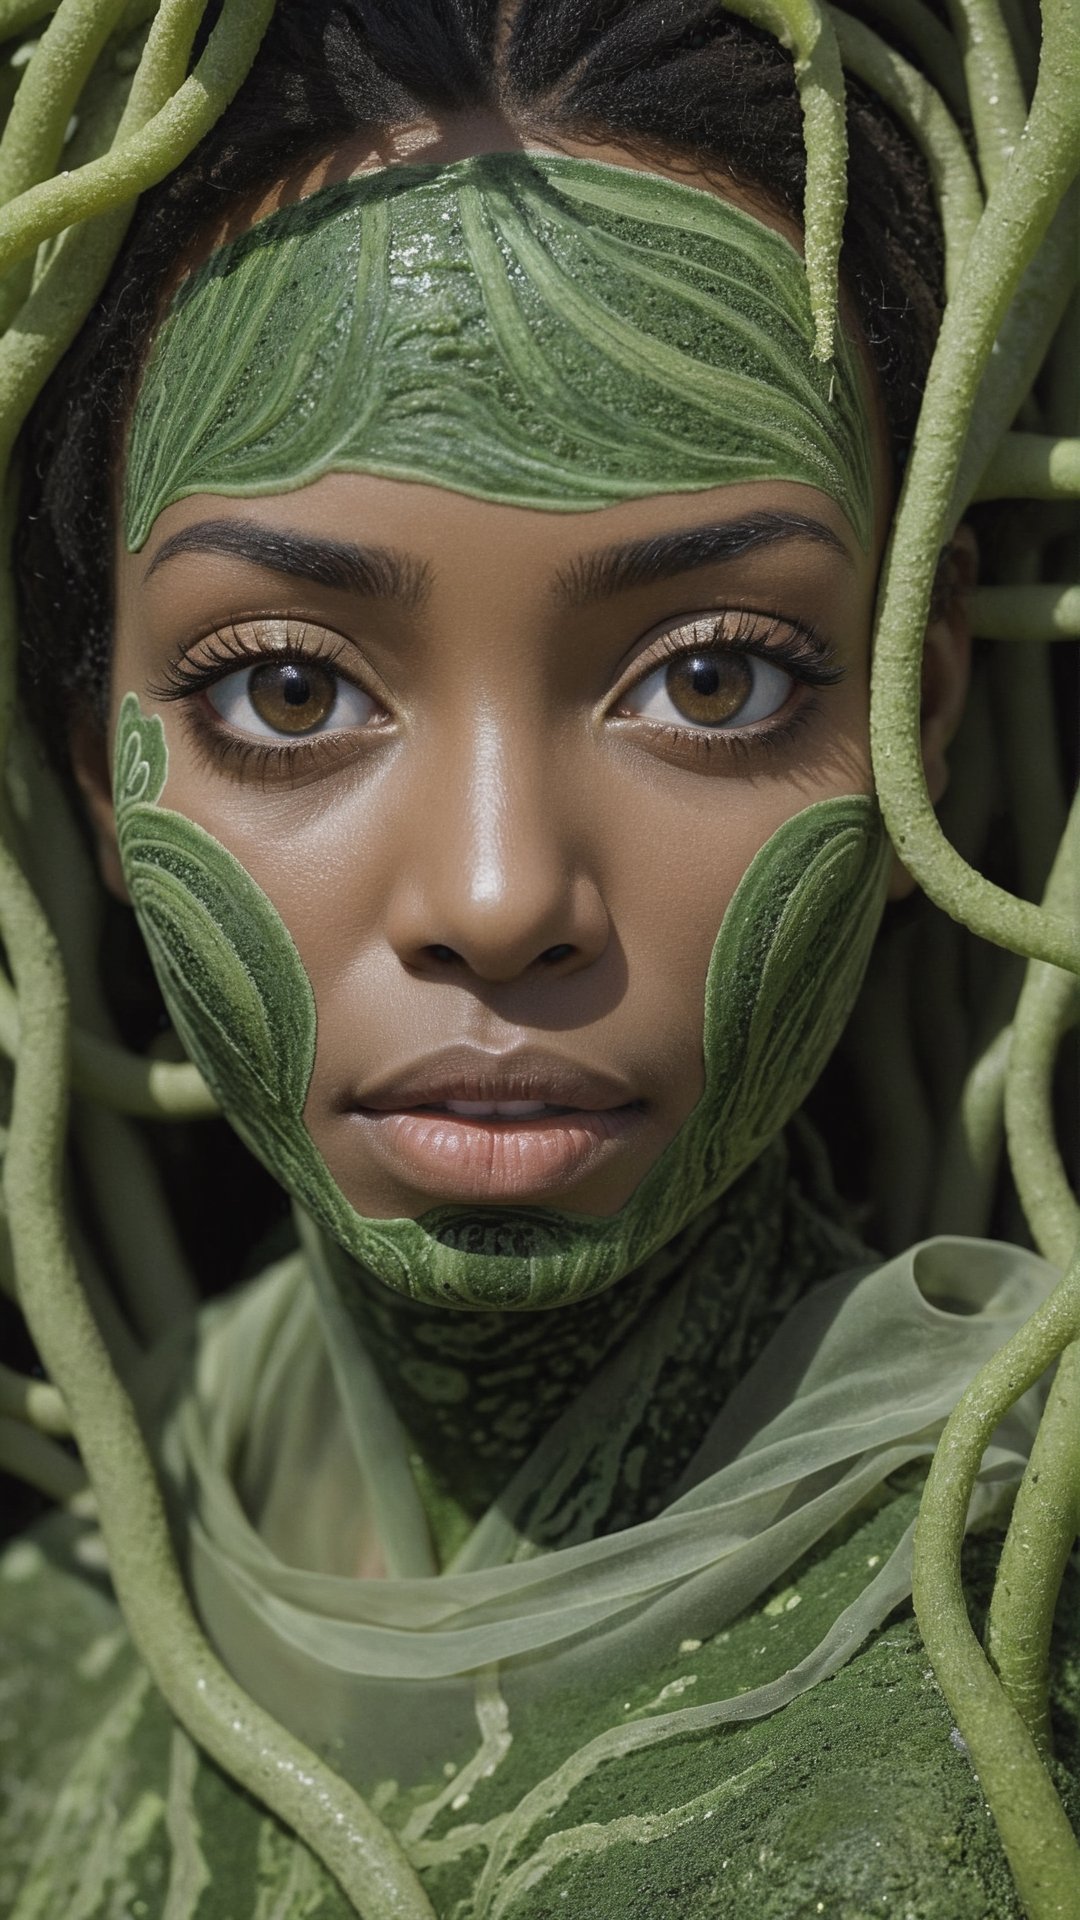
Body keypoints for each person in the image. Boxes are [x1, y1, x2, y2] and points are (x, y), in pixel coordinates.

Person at [0, 4, 1076, 1916]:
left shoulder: (1016, 1692)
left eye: (713, 677)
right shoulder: (47, 1642)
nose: (501, 899)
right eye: (290, 686)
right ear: (98, 771)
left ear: (911, 731)